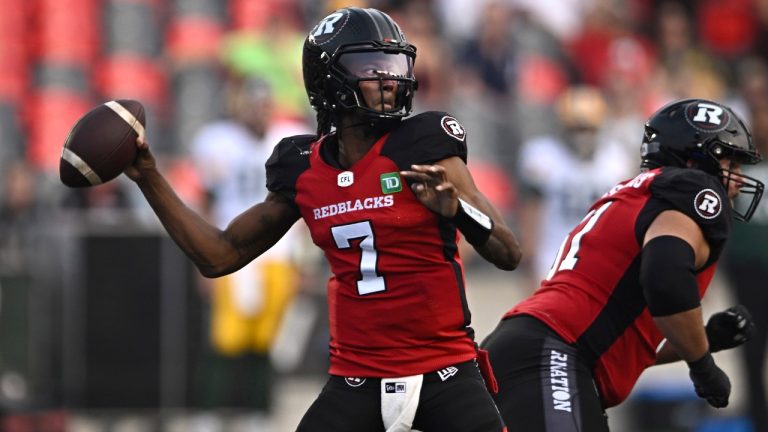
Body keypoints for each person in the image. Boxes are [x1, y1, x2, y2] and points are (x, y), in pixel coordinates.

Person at [124, 7, 521, 432]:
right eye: (372, 67)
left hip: (445, 371)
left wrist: (458, 212)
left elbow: (509, 253)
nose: (390, 80)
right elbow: (220, 255)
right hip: (357, 378)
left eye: (394, 65)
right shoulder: (303, 167)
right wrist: (149, 176)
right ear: (329, 78)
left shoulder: (423, 144)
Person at [481, 98, 762, 431]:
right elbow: (666, 278)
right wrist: (702, 365)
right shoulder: (693, 189)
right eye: (730, 160)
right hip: (553, 355)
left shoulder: (641, 194)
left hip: (535, 351)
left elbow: (618, 348)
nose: (739, 178)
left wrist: (701, 340)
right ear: (695, 159)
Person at [189, 76, 310, 430]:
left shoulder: (287, 139)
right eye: (251, 104)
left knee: (266, 339)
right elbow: (206, 202)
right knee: (228, 338)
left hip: (279, 253)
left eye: (263, 104)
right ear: (237, 106)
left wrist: (303, 262)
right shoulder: (217, 141)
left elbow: (303, 209)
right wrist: (203, 257)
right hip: (236, 248)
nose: (258, 112)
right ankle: (210, 413)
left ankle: (257, 414)